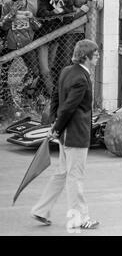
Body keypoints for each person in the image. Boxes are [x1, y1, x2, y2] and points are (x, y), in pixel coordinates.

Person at [31, 39, 100, 230]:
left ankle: (41, 210)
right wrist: (57, 127)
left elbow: (55, 98)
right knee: (75, 177)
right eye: (95, 54)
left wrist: (54, 123)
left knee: (62, 173)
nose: (98, 57)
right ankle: (79, 218)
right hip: (75, 135)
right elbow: (69, 107)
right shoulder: (81, 78)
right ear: (85, 57)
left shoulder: (66, 71)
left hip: (65, 135)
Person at [58, 0, 103, 84]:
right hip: (72, 28)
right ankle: (65, 85)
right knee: (67, 59)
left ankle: (79, 84)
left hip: (89, 30)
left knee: (84, 60)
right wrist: (79, 10)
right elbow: (64, 5)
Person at [36, 0, 75, 97]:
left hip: (56, 36)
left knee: (52, 66)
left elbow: (71, 12)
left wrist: (62, 11)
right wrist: (54, 12)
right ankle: (50, 94)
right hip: (43, 36)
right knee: (45, 69)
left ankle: (47, 95)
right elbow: (41, 13)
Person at [0, 0, 41, 101]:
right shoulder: (7, 6)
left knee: (35, 72)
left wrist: (32, 18)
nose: (22, 3)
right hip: (10, 44)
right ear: (13, 1)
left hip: (27, 45)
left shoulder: (31, 7)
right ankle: (6, 98)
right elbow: (3, 26)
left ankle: (24, 92)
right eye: (18, 1)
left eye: (23, 0)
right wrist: (12, 14)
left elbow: (38, 27)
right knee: (3, 73)